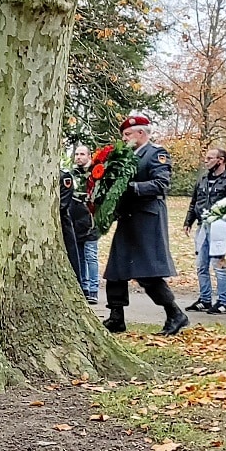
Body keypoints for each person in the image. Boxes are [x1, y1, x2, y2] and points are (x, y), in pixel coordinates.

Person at [103, 115, 188, 336]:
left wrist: (132, 187)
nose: (125, 138)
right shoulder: (126, 157)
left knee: (148, 273)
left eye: (128, 134)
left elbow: (161, 184)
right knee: (116, 269)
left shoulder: (156, 154)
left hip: (147, 218)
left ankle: (175, 314)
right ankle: (116, 316)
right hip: (128, 218)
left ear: (141, 133)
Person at [182, 148, 226, 315]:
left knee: (218, 265)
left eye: (210, 158)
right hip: (202, 226)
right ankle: (205, 299)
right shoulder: (202, 179)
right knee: (201, 265)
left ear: (220, 160)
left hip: (219, 228)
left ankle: (223, 302)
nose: (206, 161)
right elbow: (194, 202)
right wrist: (189, 221)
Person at [67, 145, 100, 304]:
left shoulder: (96, 174)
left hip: (91, 222)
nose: (79, 157)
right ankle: (83, 287)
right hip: (75, 222)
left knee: (91, 256)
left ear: (89, 156)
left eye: (82, 154)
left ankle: (93, 289)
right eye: (77, 154)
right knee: (79, 256)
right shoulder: (71, 175)